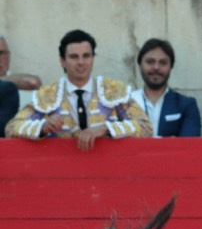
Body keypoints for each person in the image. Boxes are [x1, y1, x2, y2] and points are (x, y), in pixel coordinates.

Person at [5, 29, 151, 150]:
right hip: (60, 172)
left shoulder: (112, 90)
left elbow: (146, 128)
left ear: (93, 58)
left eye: (86, 56)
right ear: (62, 61)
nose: (81, 62)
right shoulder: (49, 94)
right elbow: (11, 129)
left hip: (108, 170)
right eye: (74, 57)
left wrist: (106, 129)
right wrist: (43, 127)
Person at [131, 38, 201, 137]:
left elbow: (189, 147)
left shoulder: (186, 105)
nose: (156, 67)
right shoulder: (125, 103)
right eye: (150, 62)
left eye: (163, 63)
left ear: (171, 67)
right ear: (140, 65)